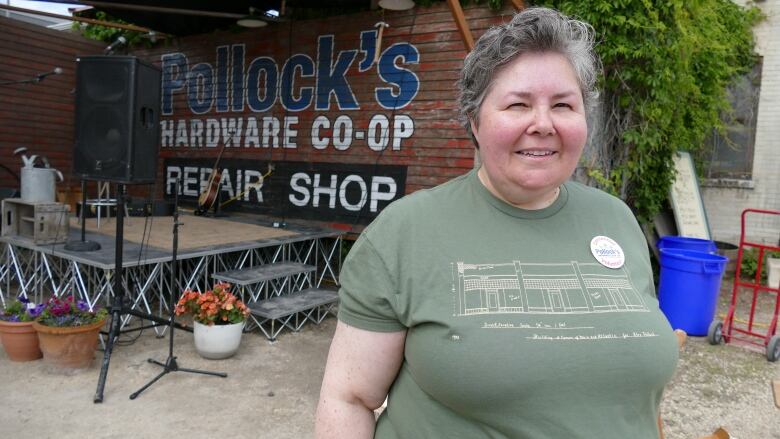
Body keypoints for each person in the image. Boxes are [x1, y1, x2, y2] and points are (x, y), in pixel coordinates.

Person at [316, 7, 679, 439]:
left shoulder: (615, 218)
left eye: (563, 104)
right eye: (518, 104)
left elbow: (636, 400)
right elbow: (349, 399)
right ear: (475, 121)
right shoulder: (405, 232)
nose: (542, 124)